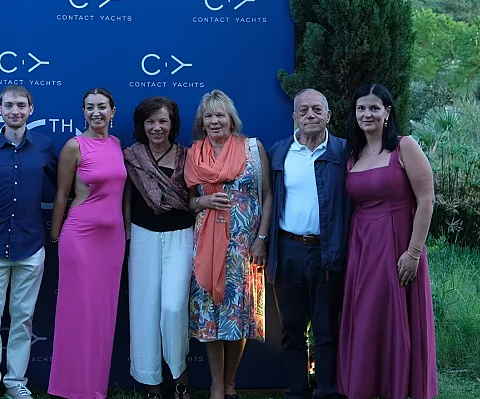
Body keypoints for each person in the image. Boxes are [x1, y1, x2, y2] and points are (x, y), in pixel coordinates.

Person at [338, 83, 438, 399]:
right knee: (367, 317)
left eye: (374, 108)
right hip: (363, 246)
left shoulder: (404, 146)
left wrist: (414, 252)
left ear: (387, 112)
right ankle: (366, 385)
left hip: (397, 244)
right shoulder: (353, 154)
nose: (367, 114)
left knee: (395, 316)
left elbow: (426, 200)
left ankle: (398, 387)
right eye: (361, 108)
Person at [0, 85, 58, 399]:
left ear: (31, 109)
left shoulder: (44, 146)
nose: (15, 111)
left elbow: (63, 186)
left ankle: (15, 383)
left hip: (31, 246)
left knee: (23, 319)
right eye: (9, 105)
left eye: (21, 105)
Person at [185, 89, 272, 399]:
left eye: (220, 115)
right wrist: (203, 201)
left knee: (238, 313)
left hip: (244, 247)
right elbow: (189, 201)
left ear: (231, 119)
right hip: (206, 248)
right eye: (208, 116)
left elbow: (268, 196)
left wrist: (262, 239)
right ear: (202, 122)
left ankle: (231, 383)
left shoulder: (252, 149)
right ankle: (216, 386)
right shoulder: (194, 154)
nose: (214, 121)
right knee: (210, 314)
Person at [265, 89, 350, 399]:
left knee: (327, 329)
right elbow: (267, 199)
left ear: (328, 115)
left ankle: (327, 391)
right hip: (288, 250)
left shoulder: (344, 152)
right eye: (303, 110)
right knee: (291, 328)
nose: (310, 115)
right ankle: (297, 391)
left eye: (317, 109)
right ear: (294, 117)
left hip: (327, 251)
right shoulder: (279, 152)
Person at [48, 88, 128, 399]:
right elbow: (61, 195)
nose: (96, 112)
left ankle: (94, 387)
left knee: (102, 315)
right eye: (90, 107)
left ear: (112, 111)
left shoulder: (116, 144)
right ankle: (69, 386)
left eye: (102, 107)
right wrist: (55, 235)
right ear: (83, 112)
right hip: (80, 238)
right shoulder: (74, 146)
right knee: (78, 313)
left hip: (112, 241)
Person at [122, 96, 193, 399]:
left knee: (173, 308)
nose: (156, 127)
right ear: (142, 125)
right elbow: (123, 197)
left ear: (172, 124)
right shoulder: (131, 157)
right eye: (150, 121)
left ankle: (180, 377)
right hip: (143, 236)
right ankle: (151, 384)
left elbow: (196, 196)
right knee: (144, 310)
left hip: (181, 236)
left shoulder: (188, 156)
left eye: (163, 121)